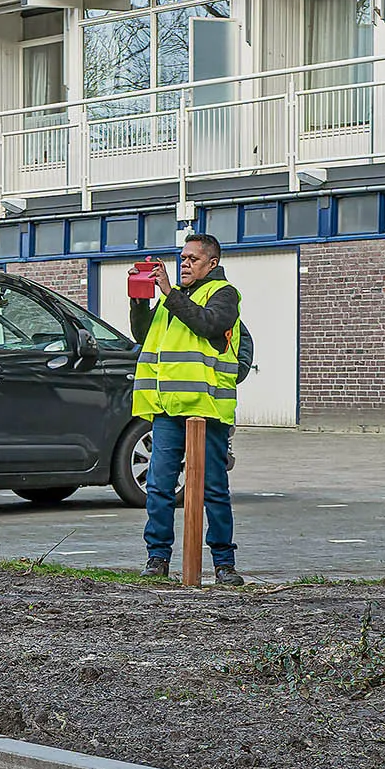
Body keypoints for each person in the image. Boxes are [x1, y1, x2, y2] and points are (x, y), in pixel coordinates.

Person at [131, 227, 244, 585]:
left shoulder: (224, 293)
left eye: (193, 259)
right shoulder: (174, 298)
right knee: (159, 486)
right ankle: (157, 558)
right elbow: (143, 334)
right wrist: (139, 299)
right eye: (182, 258)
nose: (184, 264)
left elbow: (208, 324)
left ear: (212, 263)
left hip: (207, 409)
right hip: (167, 409)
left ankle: (224, 563)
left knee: (213, 489)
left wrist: (169, 293)